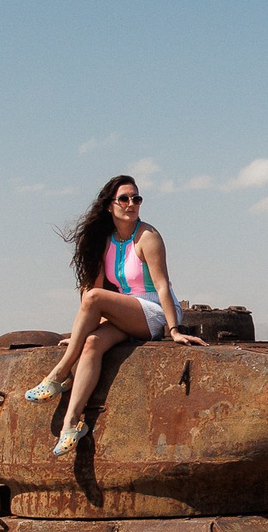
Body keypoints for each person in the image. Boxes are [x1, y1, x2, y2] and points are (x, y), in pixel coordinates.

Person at [23, 174, 204, 452]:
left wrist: (174, 329)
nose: (132, 204)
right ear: (110, 205)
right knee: (92, 343)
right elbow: (90, 295)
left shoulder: (148, 237)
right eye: (124, 199)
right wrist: (81, 334)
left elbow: (162, 286)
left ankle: (59, 374)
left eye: (137, 198)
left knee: (94, 298)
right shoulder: (104, 241)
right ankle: (72, 424)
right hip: (126, 310)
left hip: (154, 311)